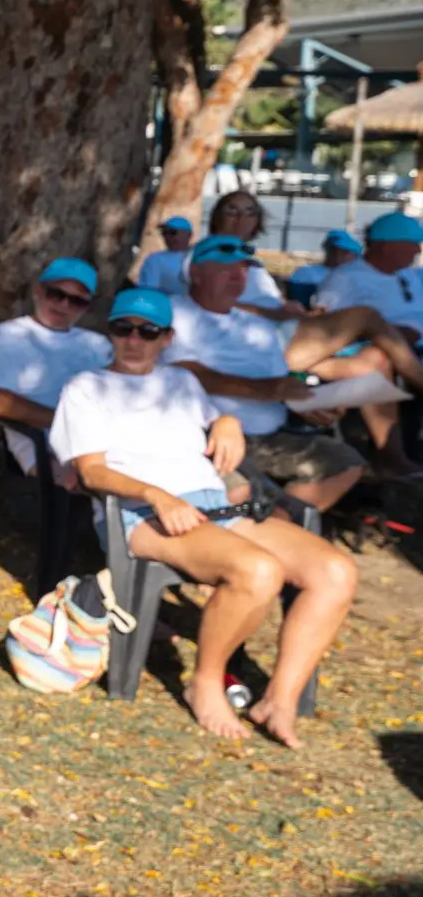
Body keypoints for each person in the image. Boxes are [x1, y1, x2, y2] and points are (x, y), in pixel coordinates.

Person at [50, 288, 359, 747]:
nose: (134, 340)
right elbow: (91, 472)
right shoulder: (86, 388)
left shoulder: (182, 382)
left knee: (335, 570)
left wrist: (227, 422)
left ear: (167, 338)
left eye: (148, 331)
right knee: (257, 570)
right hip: (144, 513)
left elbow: (216, 421)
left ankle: (280, 697)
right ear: (109, 333)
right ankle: (206, 682)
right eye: (123, 329)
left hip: (216, 507)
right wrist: (156, 495)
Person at [167, 237, 366, 509]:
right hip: (209, 436)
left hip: (271, 437)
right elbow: (184, 374)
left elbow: (279, 383)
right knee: (243, 491)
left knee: (345, 462)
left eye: (243, 268)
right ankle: (277, 531)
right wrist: (268, 389)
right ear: (196, 273)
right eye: (225, 267)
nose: (238, 275)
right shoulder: (172, 313)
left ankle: (285, 527)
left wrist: (307, 404)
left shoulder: (258, 326)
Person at [0, 257, 114, 480]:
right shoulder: (7, 336)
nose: (64, 305)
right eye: (57, 294)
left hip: (106, 441)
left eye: (77, 301)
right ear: (38, 291)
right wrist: (67, 422)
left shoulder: (97, 344)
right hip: (46, 446)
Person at [289, 228, 361, 300]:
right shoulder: (305, 273)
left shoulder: (358, 278)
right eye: (334, 249)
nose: (337, 255)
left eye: (345, 252)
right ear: (327, 248)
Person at [134, 216, 196, 294]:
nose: (167, 236)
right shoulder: (155, 259)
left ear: (189, 235)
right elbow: (148, 291)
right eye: (164, 233)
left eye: (172, 232)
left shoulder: (199, 258)